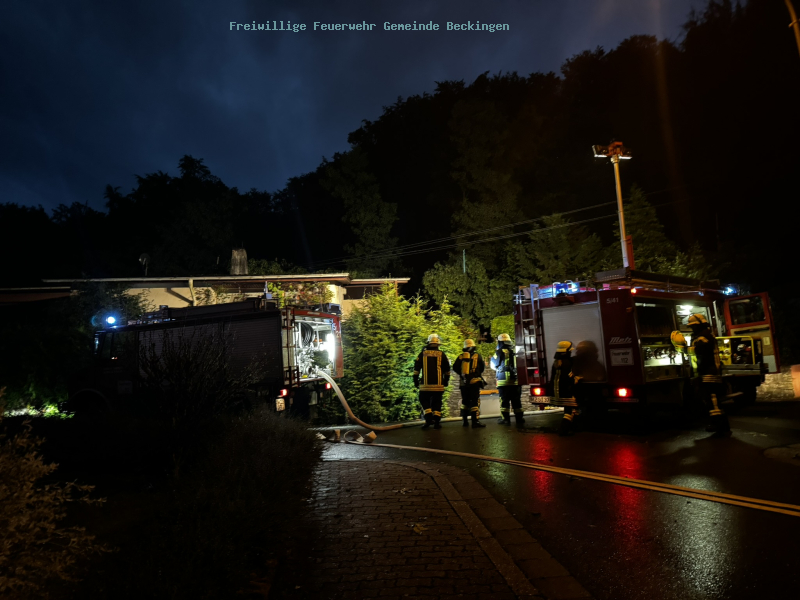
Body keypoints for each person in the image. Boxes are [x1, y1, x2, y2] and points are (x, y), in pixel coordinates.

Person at [686, 313, 731, 436]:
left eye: (693, 326)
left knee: (713, 400)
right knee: (713, 401)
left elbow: (699, 351)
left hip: (708, 373)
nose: (692, 329)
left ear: (699, 325)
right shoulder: (706, 335)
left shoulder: (703, 337)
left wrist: (683, 348)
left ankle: (720, 427)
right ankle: (722, 427)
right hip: (710, 372)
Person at [413, 333, 451, 430]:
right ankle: (437, 423)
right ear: (438, 344)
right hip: (438, 385)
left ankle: (428, 418)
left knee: (424, 400)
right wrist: (446, 381)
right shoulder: (442, 354)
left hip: (425, 385)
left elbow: (416, 369)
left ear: (428, 343)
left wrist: (415, 381)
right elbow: (447, 370)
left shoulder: (423, 354)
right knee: (437, 403)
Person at [490, 333, 525, 427]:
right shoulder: (517, 351)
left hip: (503, 382)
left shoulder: (498, 352)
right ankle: (519, 418)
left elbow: (493, 365)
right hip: (516, 381)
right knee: (517, 400)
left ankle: (505, 419)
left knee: (504, 401)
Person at [453, 339, 486, 429]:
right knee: (474, 402)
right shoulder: (478, 356)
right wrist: (475, 374)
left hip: (463, 383)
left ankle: (465, 421)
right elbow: (482, 368)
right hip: (474, 382)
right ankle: (475, 422)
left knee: (465, 402)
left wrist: (462, 375)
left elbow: (455, 367)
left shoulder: (460, 357)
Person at [550, 341, 578, 436]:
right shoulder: (568, 363)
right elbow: (570, 377)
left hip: (558, 391)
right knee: (569, 411)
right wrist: (577, 378)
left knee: (571, 410)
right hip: (567, 390)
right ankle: (563, 431)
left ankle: (573, 427)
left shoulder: (556, 362)